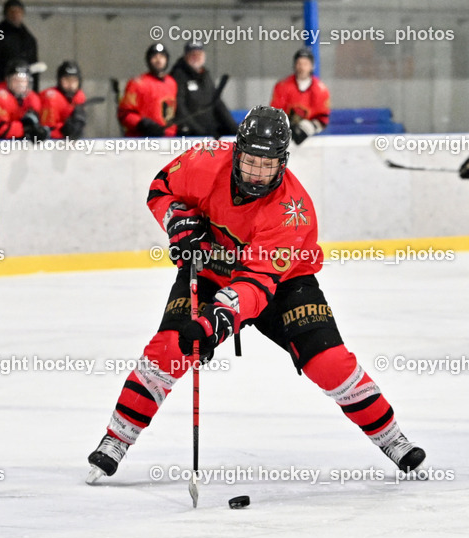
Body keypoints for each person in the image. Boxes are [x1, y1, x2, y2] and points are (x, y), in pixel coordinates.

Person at [85, 105, 426, 485]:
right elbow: (160, 188)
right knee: (168, 348)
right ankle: (116, 439)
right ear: (237, 151)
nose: (259, 174)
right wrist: (177, 220)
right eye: (251, 162)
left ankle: (392, 439)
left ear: (283, 162)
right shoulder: (204, 161)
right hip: (211, 267)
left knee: (329, 362)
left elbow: (257, 284)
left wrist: (218, 320)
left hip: (282, 283)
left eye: (269, 165)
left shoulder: (291, 212)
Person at [170, 42, 236, 138]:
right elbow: (180, 108)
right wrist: (200, 133)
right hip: (191, 136)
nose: (196, 57)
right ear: (186, 56)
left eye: (199, 54)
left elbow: (217, 104)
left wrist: (234, 129)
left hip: (210, 133)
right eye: (193, 54)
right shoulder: (179, 76)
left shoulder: (205, 75)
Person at [271, 48, 330, 145]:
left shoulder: (321, 90)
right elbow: (275, 112)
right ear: (294, 65)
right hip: (284, 137)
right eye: (299, 63)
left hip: (312, 141)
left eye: (305, 64)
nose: (302, 67)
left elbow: (322, 118)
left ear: (312, 66)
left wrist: (310, 127)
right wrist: (287, 126)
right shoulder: (282, 86)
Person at [118, 43, 177, 137]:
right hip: (142, 140)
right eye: (155, 57)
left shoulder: (172, 83)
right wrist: (142, 124)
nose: (158, 60)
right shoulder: (137, 83)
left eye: (162, 56)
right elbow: (124, 114)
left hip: (168, 140)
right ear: (148, 60)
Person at [0, 0, 39, 90]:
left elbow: (33, 67)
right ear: (5, 14)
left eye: (18, 11)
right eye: (12, 11)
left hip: (24, 90)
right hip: (1, 88)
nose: (15, 15)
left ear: (23, 13)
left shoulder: (29, 39)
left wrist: (33, 90)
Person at [39, 60, 87, 140]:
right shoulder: (51, 97)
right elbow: (46, 131)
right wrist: (63, 130)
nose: (71, 84)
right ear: (59, 80)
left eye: (74, 80)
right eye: (67, 80)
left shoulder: (79, 96)